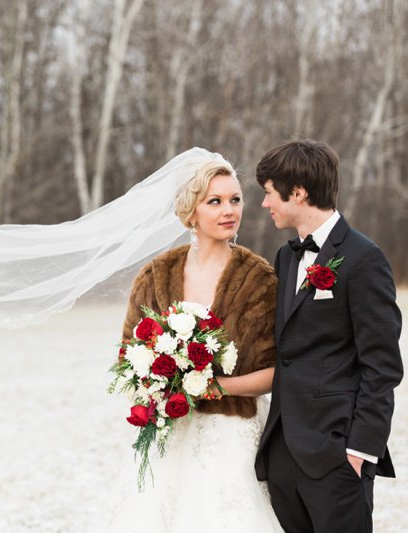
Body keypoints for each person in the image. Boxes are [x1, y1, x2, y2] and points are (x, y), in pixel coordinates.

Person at [105, 157, 283, 532]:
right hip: (170, 436)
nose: (228, 211)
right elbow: (128, 355)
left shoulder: (259, 280)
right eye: (214, 201)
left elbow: (276, 371)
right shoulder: (155, 276)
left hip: (232, 437)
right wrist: (158, 386)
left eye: (235, 200)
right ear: (190, 210)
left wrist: (212, 387)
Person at [253, 139, 404, 533]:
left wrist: (359, 450)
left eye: (269, 193)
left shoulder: (365, 259)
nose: (265, 204)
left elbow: (382, 366)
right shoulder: (286, 257)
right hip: (284, 453)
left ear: (298, 192)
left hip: (337, 454)